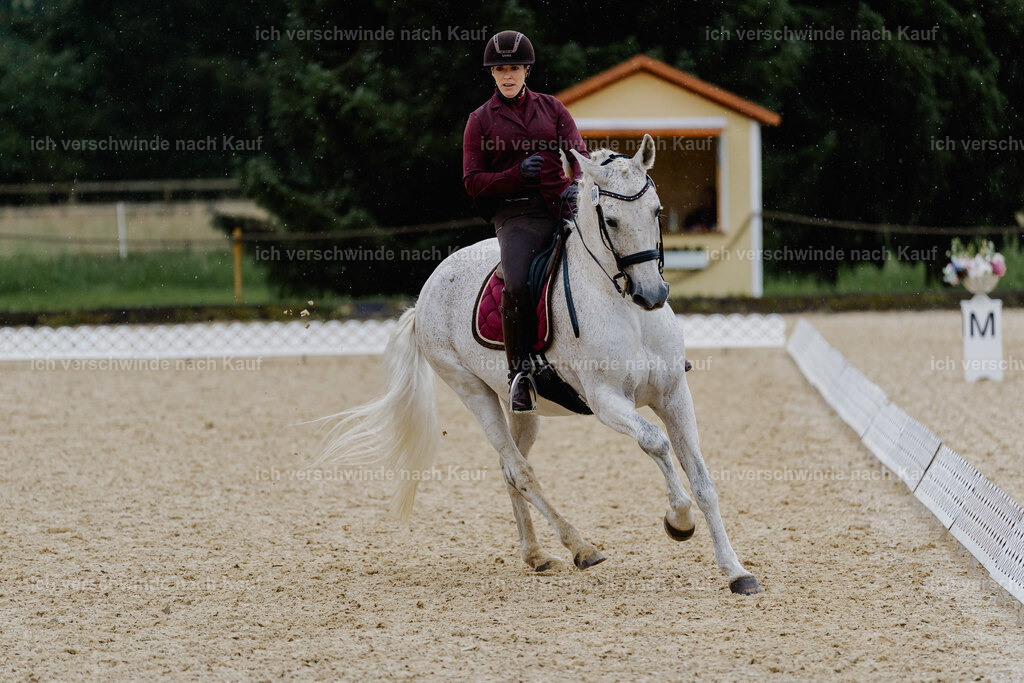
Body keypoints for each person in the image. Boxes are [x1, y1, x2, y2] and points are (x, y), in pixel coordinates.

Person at [462, 30, 588, 413]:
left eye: (514, 67)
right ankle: (520, 374)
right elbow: (472, 181)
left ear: (526, 70)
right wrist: (516, 175)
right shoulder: (479, 120)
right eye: (500, 69)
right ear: (492, 74)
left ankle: (657, 345)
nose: (508, 75)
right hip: (515, 213)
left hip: (562, 204)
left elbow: (579, 154)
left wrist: (576, 185)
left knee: (621, 245)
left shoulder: (553, 108)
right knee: (516, 282)